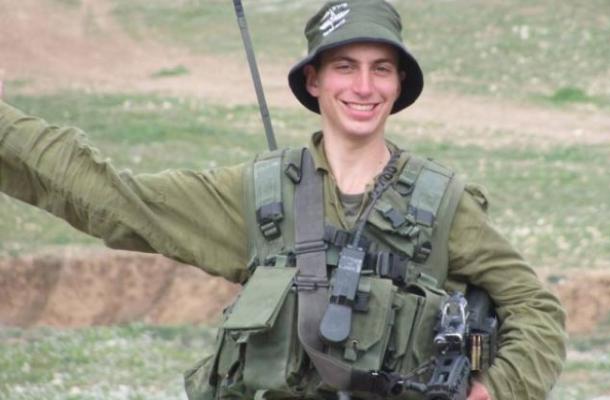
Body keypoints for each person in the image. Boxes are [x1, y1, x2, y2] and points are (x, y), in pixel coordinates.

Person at [0, 0, 566, 399]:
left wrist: (494, 390)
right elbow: (115, 200)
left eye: (380, 70)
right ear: (314, 81)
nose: (363, 87)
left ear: (398, 85)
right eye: (344, 67)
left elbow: (536, 308)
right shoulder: (259, 195)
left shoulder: (442, 204)